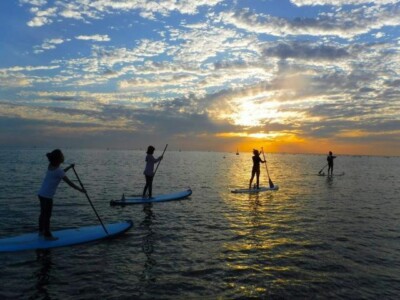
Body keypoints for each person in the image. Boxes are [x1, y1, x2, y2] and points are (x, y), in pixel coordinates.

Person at [37, 149, 85, 240]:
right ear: (59, 159)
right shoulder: (59, 171)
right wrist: (80, 190)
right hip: (47, 196)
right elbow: (69, 183)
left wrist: (69, 168)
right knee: (47, 215)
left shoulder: (50, 166)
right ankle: (47, 235)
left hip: (41, 194)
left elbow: (60, 172)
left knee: (43, 214)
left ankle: (41, 232)